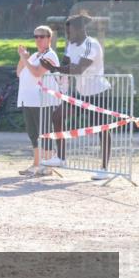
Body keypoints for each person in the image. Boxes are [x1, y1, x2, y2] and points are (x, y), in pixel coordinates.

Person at [40, 13, 113, 180]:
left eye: (69, 31)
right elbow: (65, 65)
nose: (67, 34)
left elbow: (78, 69)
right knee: (57, 116)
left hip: (98, 92)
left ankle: (104, 168)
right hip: (80, 92)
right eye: (66, 31)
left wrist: (55, 68)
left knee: (101, 128)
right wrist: (52, 67)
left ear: (80, 29)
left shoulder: (91, 45)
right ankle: (61, 157)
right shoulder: (71, 45)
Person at [16, 25, 60, 177]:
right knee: (33, 133)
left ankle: (48, 165)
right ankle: (36, 164)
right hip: (28, 99)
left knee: (45, 132)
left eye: (42, 36)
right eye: (36, 37)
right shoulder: (35, 55)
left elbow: (36, 73)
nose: (38, 39)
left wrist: (25, 59)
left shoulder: (50, 55)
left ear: (49, 38)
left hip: (43, 100)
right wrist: (22, 58)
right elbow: (19, 72)